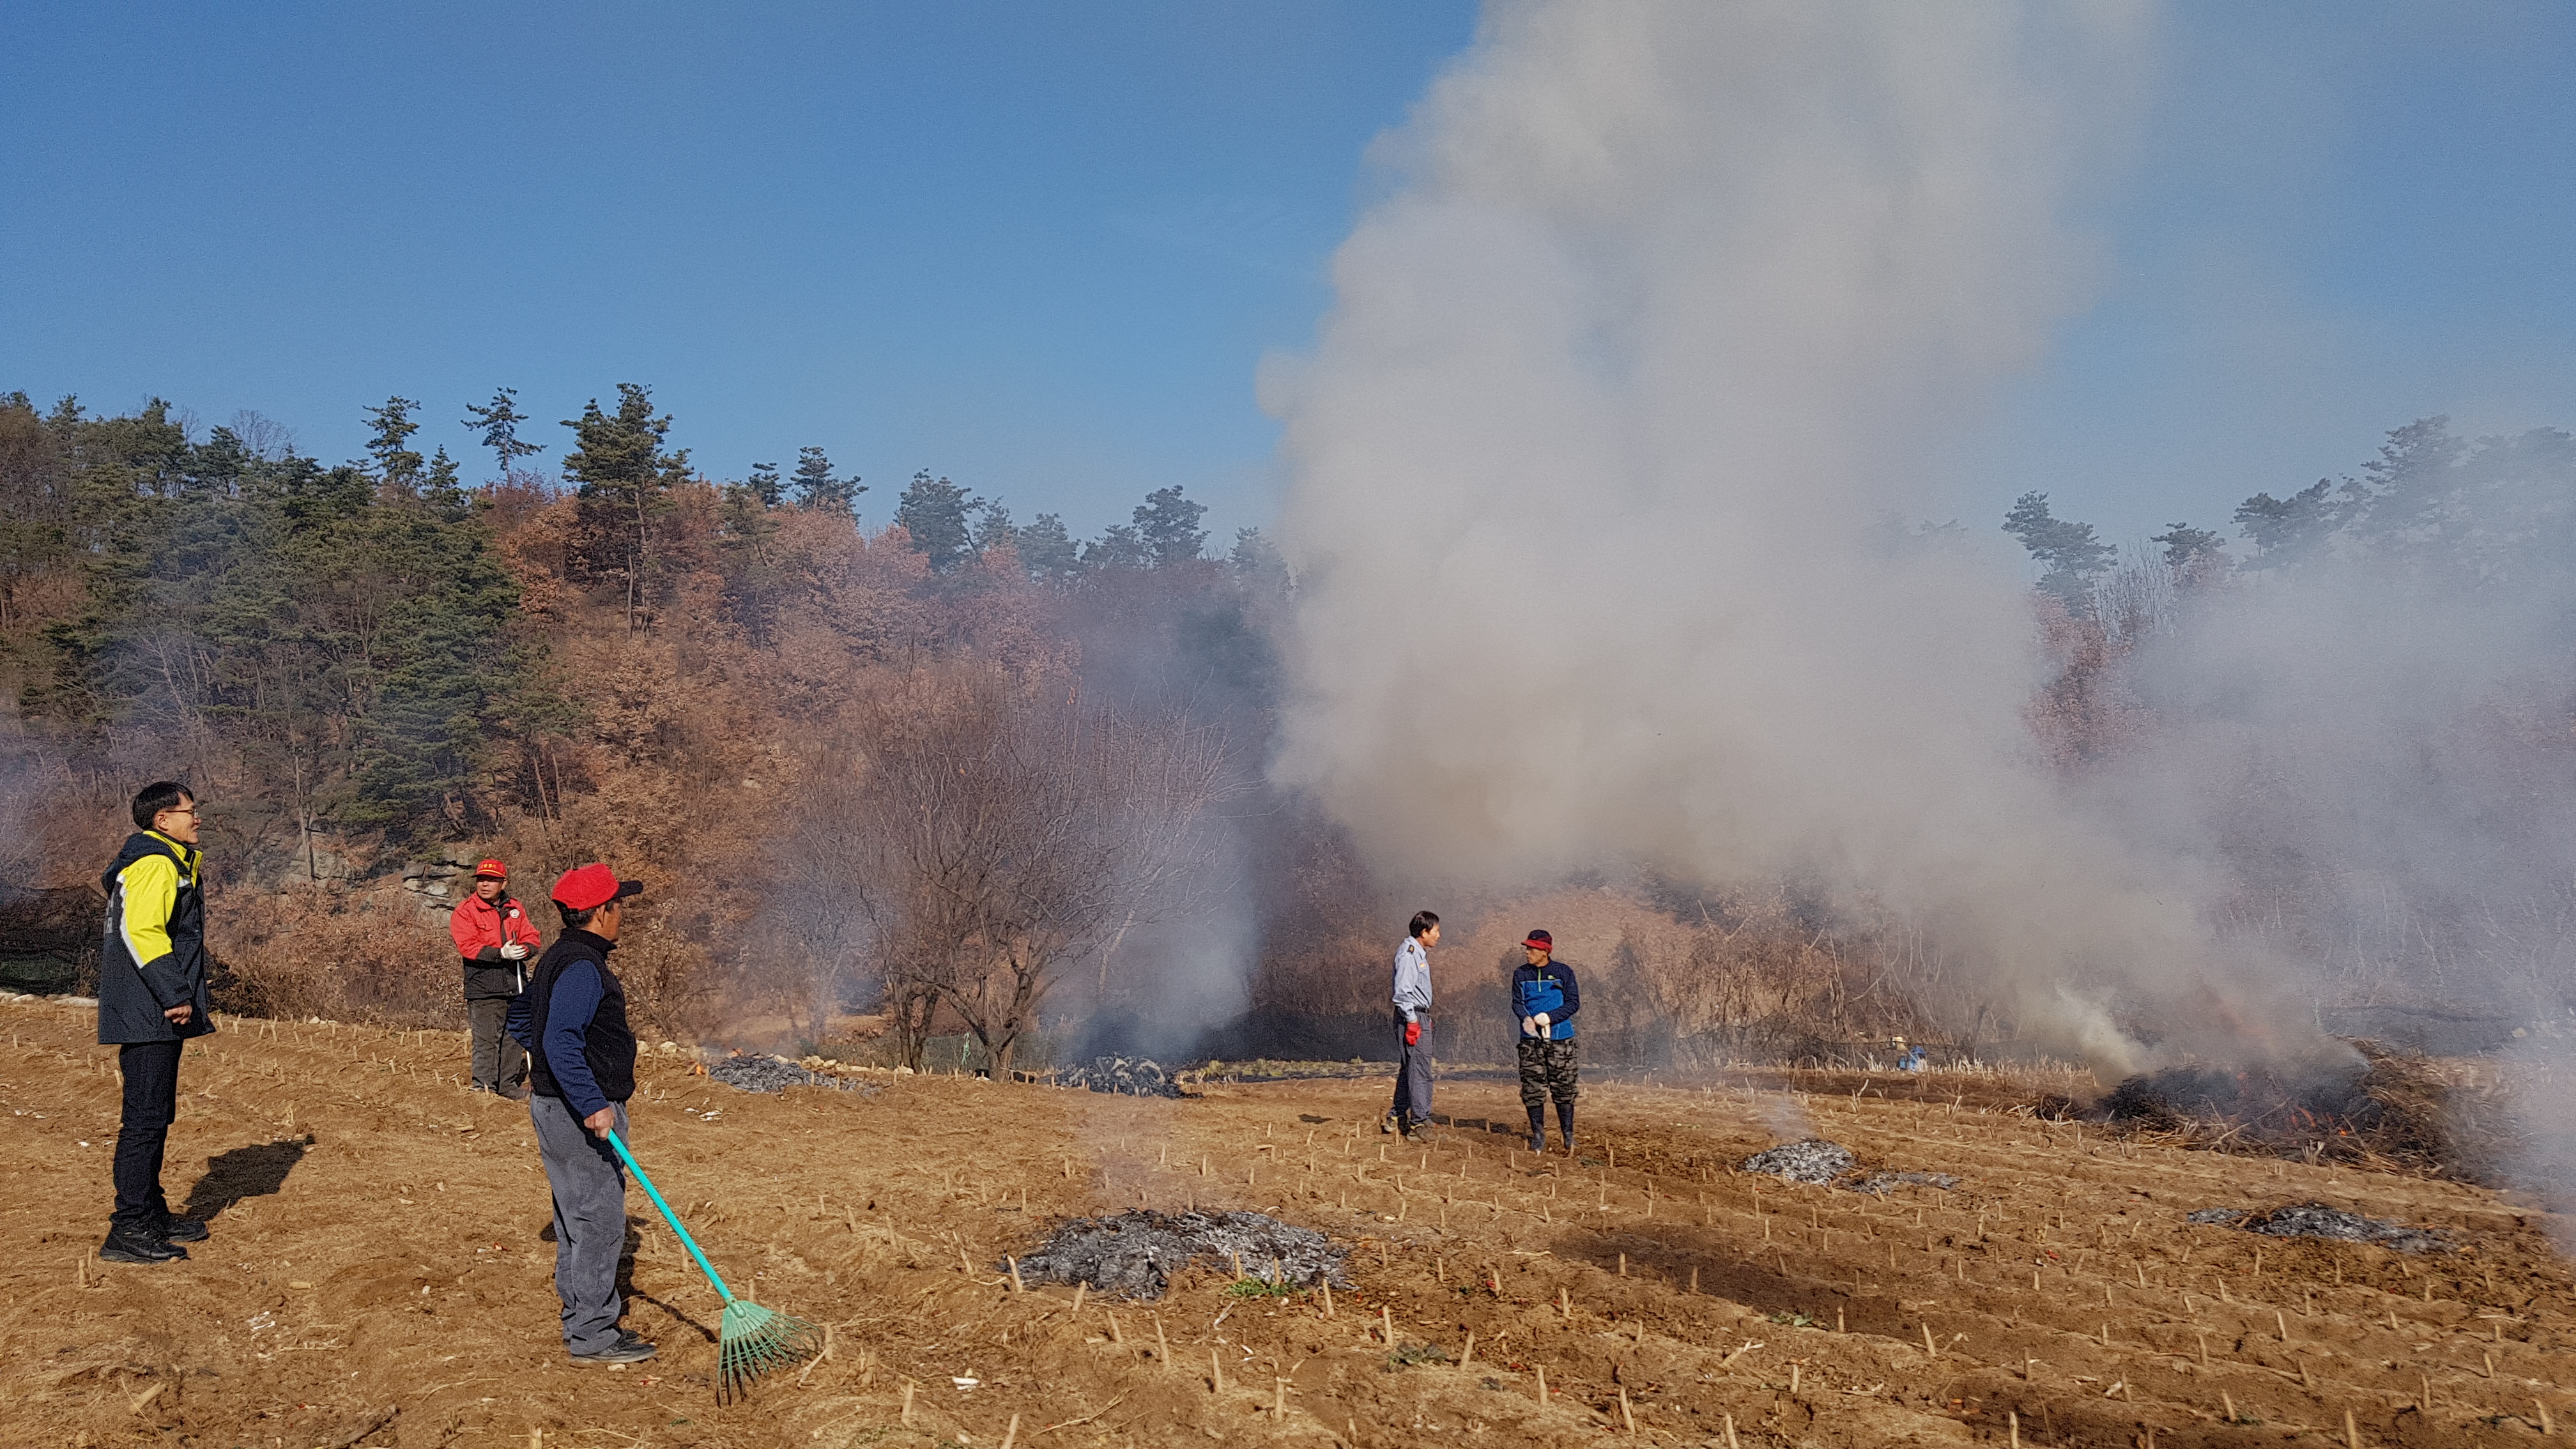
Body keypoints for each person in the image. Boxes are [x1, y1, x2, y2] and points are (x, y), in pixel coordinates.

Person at [509, 862, 654, 1364]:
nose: (623, 914)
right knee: (598, 1221)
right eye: (619, 905)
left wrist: (548, 1069)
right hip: (579, 1113)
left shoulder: (558, 957)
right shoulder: (582, 968)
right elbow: (560, 1036)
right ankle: (594, 1335)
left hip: (556, 1104)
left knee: (575, 1216)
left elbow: (521, 1017)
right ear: (601, 912)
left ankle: (580, 1320)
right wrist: (591, 1102)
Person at [96, 780, 216, 1264]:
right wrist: (175, 993)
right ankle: (128, 1228)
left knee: (154, 1117)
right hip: (150, 1010)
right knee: (144, 1122)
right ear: (162, 820)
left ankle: (151, 1213)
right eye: (190, 811)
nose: (198, 818)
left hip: (150, 1010)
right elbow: (142, 930)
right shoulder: (155, 862)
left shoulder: (164, 860)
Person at [450, 858, 540, 1096]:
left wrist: (526, 950)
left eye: (491, 880)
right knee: (487, 1040)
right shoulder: (465, 911)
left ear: (504, 883)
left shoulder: (516, 909)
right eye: (481, 879)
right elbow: (467, 946)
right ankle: (484, 1088)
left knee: (513, 1038)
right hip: (484, 986)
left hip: (515, 983)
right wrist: (500, 953)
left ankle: (507, 1086)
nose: (485, 884)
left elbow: (532, 936)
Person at [1511, 929, 1581, 1155]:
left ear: (1545, 951)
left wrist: (1551, 1017)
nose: (1527, 952)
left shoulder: (1563, 972)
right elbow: (1517, 1002)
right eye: (1527, 948)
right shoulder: (1521, 974)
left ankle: (1568, 1135)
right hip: (1531, 1042)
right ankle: (1539, 1135)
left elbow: (1573, 1003)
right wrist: (1525, 1018)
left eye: (1532, 949)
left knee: (1564, 1088)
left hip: (1561, 1040)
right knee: (1532, 1089)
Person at [1384, 910, 1438, 1138]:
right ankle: (1419, 1123)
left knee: (1411, 1068)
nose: (1438, 936)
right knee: (1420, 1070)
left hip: (1418, 1014)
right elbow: (1402, 993)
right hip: (1412, 1015)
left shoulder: (1417, 953)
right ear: (1424, 932)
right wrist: (1414, 1021)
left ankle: (1396, 1116)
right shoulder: (1409, 954)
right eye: (1436, 931)